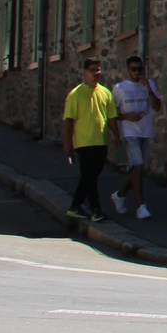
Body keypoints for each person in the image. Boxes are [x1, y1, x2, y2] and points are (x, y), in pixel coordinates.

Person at [61, 57, 119, 222]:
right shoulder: (76, 94)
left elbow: (112, 117)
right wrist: (67, 144)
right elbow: (69, 120)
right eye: (92, 70)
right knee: (89, 174)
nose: (96, 73)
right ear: (85, 72)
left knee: (91, 175)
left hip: (101, 140)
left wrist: (117, 135)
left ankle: (75, 206)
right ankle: (96, 209)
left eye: (98, 69)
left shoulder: (105, 92)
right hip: (83, 141)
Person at [109, 55, 164, 220]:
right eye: (134, 69)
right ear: (128, 70)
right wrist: (127, 117)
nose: (137, 72)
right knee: (138, 165)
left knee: (137, 169)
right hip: (130, 132)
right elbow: (112, 114)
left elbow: (157, 106)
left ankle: (120, 194)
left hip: (145, 131)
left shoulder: (149, 85)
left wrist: (148, 88)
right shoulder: (120, 88)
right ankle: (141, 206)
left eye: (140, 69)